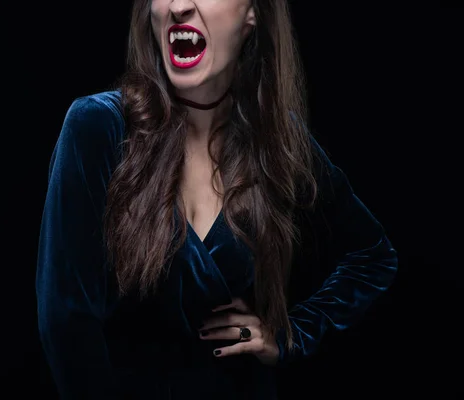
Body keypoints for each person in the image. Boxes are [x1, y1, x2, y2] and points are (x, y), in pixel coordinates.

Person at [35, 0, 398, 398]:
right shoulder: (98, 127)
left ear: (253, 15)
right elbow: (66, 324)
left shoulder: (278, 143)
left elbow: (372, 255)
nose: (178, 6)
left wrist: (289, 335)